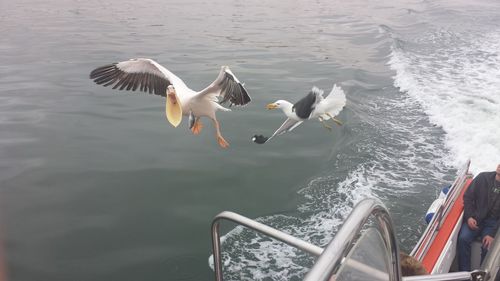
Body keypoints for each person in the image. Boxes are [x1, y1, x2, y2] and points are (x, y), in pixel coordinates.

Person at [458, 163, 500, 271]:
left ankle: (481, 275)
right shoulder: (483, 177)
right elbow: (468, 197)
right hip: (476, 217)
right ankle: (464, 274)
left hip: (494, 223)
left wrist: (492, 234)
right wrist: (469, 217)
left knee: (488, 247)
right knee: (463, 239)